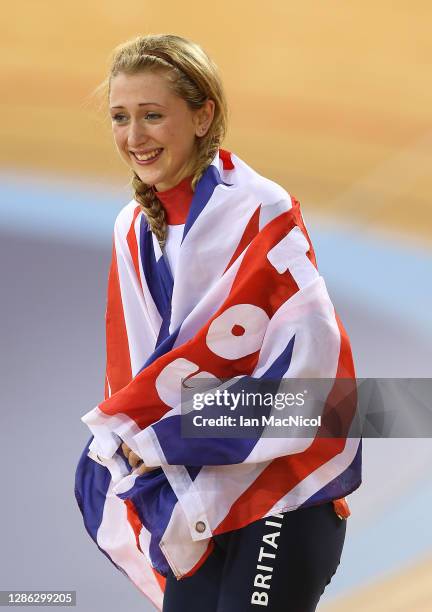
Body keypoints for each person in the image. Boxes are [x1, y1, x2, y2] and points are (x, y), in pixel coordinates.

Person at [75, 34, 361, 612]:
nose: (134, 137)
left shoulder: (261, 208)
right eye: (120, 117)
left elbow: (311, 380)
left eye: (153, 115)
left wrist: (161, 435)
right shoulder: (132, 228)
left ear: (203, 116)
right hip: (197, 497)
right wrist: (131, 438)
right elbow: (137, 368)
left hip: (285, 496)